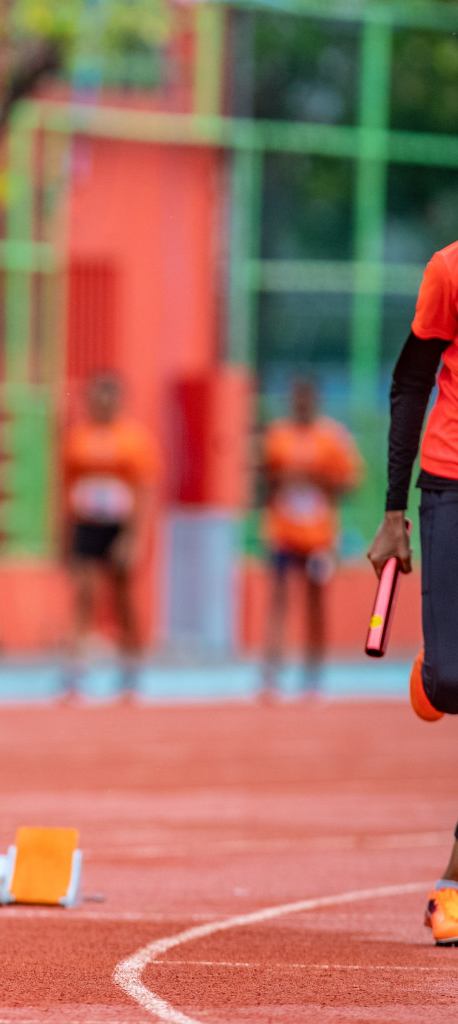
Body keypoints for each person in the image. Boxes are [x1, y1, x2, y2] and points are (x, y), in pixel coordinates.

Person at [368, 238, 458, 945]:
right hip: (450, 481)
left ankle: (455, 879)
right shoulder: (449, 269)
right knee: (452, 679)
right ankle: (435, 674)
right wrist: (394, 510)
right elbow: (410, 382)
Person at [259, 377, 360, 700]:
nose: (300, 405)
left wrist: (319, 479)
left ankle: (313, 672)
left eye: (306, 399)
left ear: (315, 401)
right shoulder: (277, 436)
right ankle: (272, 673)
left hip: (318, 535)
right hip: (283, 531)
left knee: (315, 602)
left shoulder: (332, 437)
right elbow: (263, 480)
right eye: (296, 399)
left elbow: (349, 482)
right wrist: (280, 480)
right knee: (278, 598)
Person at [61, 373, 158, 700]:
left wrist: (135, 537)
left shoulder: (134, 439)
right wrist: (64, 534)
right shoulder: (78, 438)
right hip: (86, 524)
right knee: (84, 594)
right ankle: (76, 671)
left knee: (123, 599)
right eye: (97, 397)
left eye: (109, 397)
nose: (102, 404)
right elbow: (66, 486)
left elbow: (144, 490)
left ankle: (131, 669)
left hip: (119, 525)